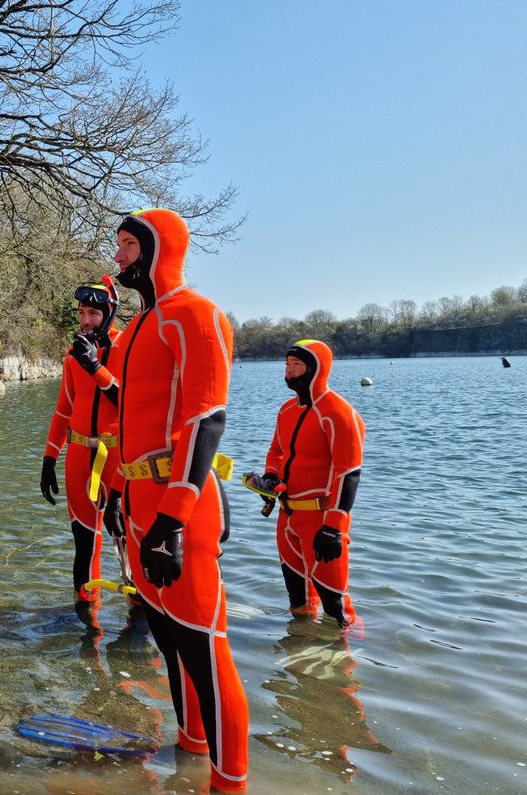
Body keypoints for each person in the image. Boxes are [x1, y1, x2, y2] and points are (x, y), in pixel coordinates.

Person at [95, 208, 248, 793]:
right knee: (166, 639)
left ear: (160, 249)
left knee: (204, 650)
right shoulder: (133, 331)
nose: (119, 258)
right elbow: (126, 422)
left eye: (129, 246)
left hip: (178, 509)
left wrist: (172, 520)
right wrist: (114, 491)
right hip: (136, 503)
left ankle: (230, 783)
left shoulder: (197, 315)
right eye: (119, 246)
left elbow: (206, 422)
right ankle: (190, 755)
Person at [246, 339, 365, 627]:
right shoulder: (287, 410)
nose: (289, 371)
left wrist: (334, 527)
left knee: (337, 606)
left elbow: (348, 472)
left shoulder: (338, 412)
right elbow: (276, 451)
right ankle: (299, 649)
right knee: (298, 601)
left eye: (296, 365)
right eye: (287, 365)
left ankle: (346, 661)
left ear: (316, 368)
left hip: (321, 519)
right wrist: (270, 477)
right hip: (287, 516)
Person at [39, 277, 126, 603]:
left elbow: (130, 405)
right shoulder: (72, 355)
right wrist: (49, 458)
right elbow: (63, 410)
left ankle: (138, 627)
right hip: (78, 455)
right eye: (81, 313)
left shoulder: (126, 348)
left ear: (110, 313)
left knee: (126, 539)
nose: (86, 321)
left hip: (118, 459)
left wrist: (95, 366)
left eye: (93, 313)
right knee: (84, 543)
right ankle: (87, 625)